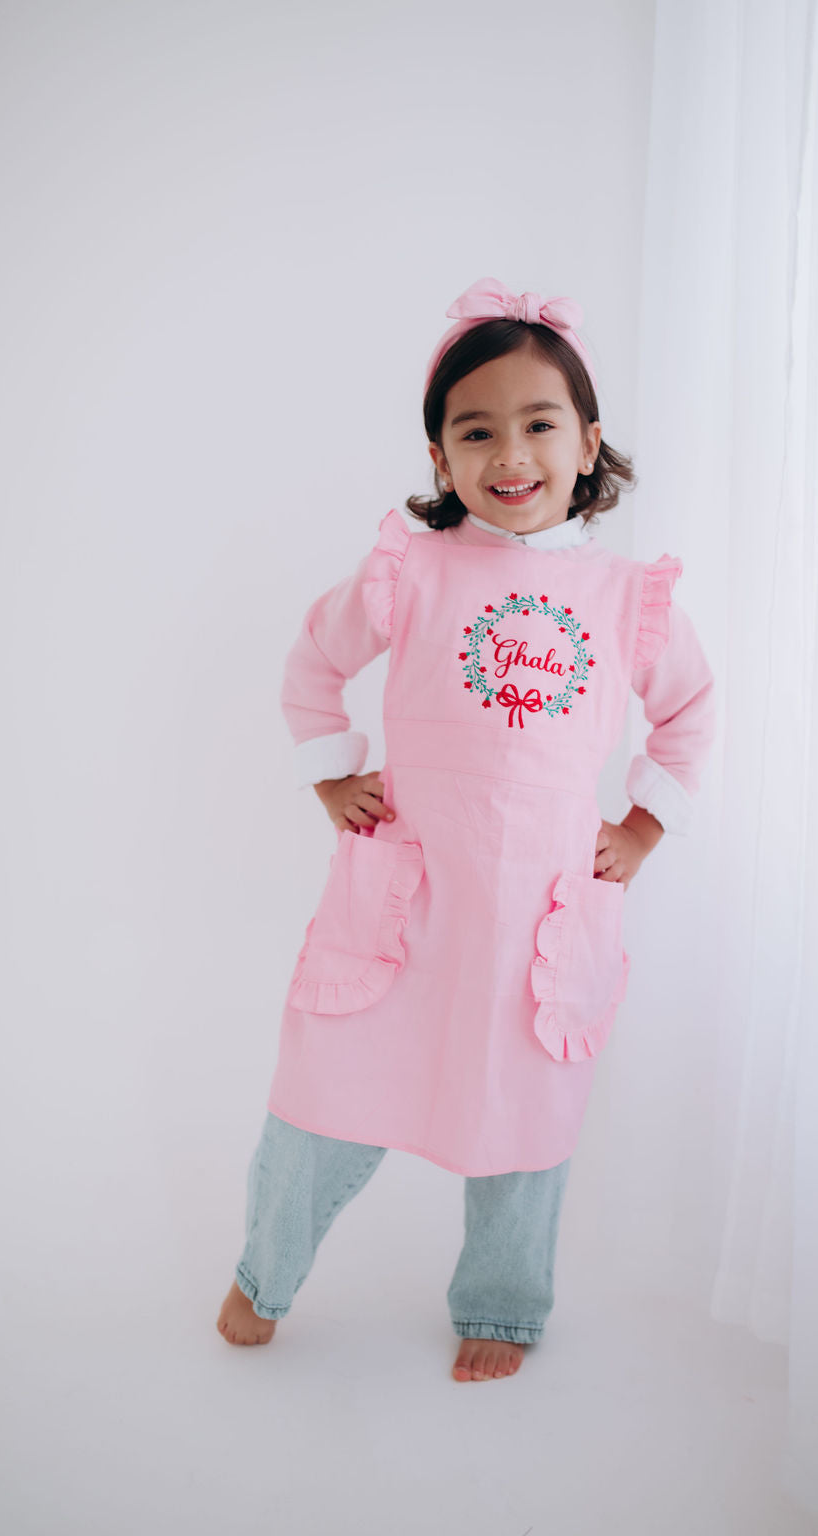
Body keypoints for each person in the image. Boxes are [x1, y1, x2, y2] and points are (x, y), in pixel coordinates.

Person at [216, 276, 716, 1383]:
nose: (510, 452)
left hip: (537, 909)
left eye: (538, 423)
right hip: (405, 898)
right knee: (322, 1091)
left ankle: (503, 1302)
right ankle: (264, 1272)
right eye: (474, 429)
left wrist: (641, 827)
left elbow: (686, 713)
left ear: (587, 441)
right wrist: (330, 776)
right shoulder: (413, 570)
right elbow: (314, 662)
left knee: (524, 1116)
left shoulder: (625, 596)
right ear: (441, 459)